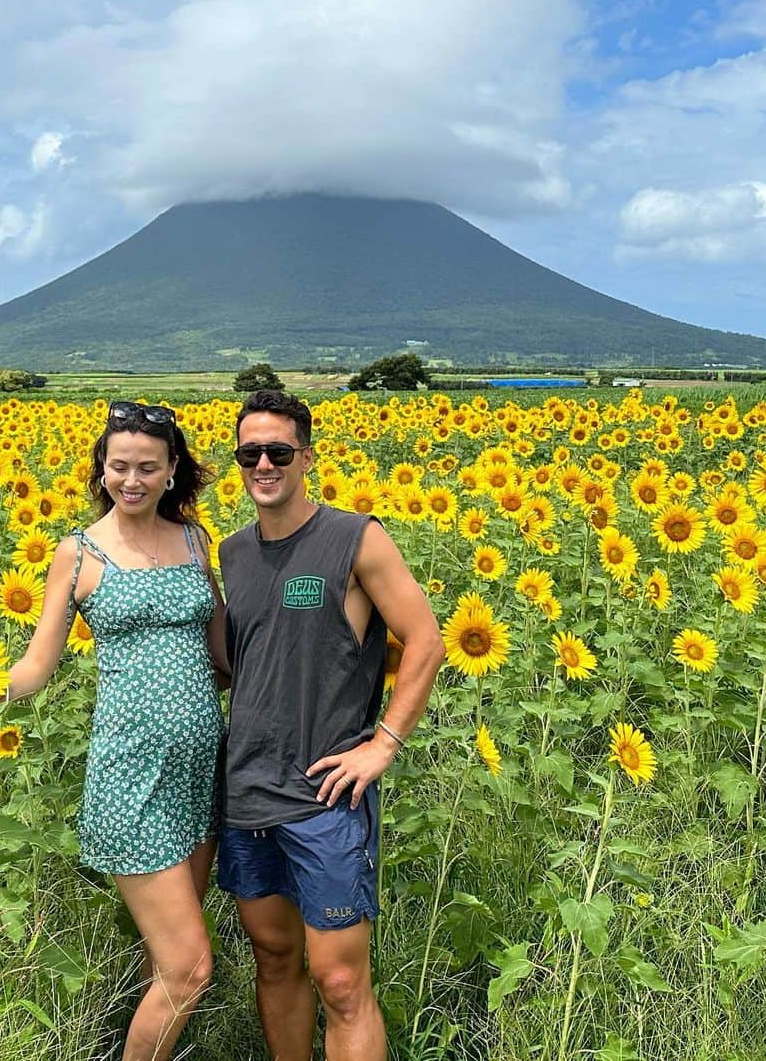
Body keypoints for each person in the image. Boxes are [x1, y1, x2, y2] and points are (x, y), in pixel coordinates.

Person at [217, 389, 445, 1061]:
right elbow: (246, 659)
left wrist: (384, 745)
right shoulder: (233, 553)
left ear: (307, 457)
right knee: (275, 956)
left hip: (326, 796)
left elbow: (425, 638)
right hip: (248, 790)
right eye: (250, 452)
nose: (264, 463)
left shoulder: (354, 537)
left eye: (279, 451)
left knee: (342, 980)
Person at [3, 401, 228, 1061]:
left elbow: (222, 653)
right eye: (119, 465)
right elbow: (38, 663)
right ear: (101, 467)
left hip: (198, 771)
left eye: (147, 467)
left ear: (171, 469)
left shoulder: (194, 539)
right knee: (190, 968)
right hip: (131, 777)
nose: (131, 479)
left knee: (162, 958)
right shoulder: (78, 552)